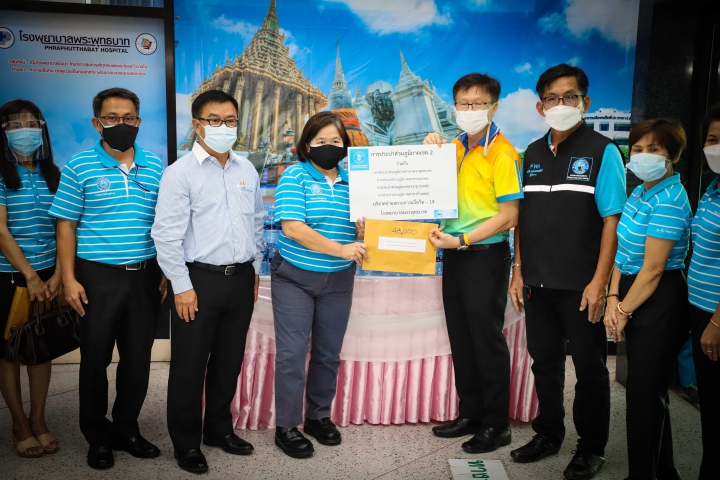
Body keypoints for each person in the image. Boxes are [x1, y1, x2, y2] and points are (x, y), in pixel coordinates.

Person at [508, 64, 627, 480]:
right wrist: (518, 270)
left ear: (585, 102)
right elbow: (521, 218)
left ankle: (591, 447)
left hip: (581, 286)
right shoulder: (531, 154)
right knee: (545, 363)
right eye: (553, 98)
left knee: (591, 370)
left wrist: (599, 283)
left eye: (570, 96)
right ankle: (548, 434)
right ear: (540, 106)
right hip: (537, 283)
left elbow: (612, 221)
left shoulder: (603, 151)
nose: (561, 104)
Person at [49, 88, 165, 470]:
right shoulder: (79, 166)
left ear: (139, 121)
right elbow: (66, 227)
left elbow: (166, 225)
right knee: (95, 360)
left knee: (138, 360)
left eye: (128, 117)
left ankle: (126, 430)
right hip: (96, 278)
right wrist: (69, 279)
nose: (121, 124)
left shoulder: (156, 166)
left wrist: (165, 270)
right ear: (97, 122)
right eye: (112, 118)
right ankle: (97, 437)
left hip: (145, 277)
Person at [151, 89, 262, 474]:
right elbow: (166, 236)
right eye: (215, 120)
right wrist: (181, 286)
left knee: (228, 362)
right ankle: (186, 443)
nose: (224, 127)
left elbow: (256, 223)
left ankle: (218, 429)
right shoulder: (180, 173)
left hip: (241, 277)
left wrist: (255, 269)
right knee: (189, 365)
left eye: (231, 120)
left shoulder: (247, 169)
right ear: (197, 125)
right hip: (197, 281)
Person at [422, 73, 522, 453]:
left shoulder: (503, 153)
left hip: (484, 256)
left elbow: (509, 215)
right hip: (454, 253)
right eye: (464, 103)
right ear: (454, 107)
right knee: (461, 338)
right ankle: (471, 414)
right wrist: (429, 150)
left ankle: (497, 424)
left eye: (479, 104)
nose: (470, 110)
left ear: (493, 107)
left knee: (486, 340)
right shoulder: (453, 148)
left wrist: (463, 240)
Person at [271, 111, 366, 458]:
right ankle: (286, 426)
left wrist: (365, 230)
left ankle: (318, 417)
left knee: (328, 353)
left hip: (339, 278)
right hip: (295, 276)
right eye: (321, 141)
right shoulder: (294, 175)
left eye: (336, 141)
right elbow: (292, 227)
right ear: (307, 145)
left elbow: (364, 228)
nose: (329, 146)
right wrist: (341, 248)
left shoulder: (356, 182)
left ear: (345, 145)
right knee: (292, 354)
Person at [604, 118, 691, 480]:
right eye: (638, 149)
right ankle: (663, 471)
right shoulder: (640, 191)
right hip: (632, 291)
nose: (643, 156)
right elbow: (623, 252)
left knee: (642, 396)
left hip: (659, 298)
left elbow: (654, 269)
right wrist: (613, 296)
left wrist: (623, 309)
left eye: (654, 149)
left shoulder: (670, 199)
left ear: (673, 155)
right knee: (648, 393)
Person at [0, 100, 62, 458]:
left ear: (42, 129)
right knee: (8, 353)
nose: (24, 130)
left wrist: (58, 273)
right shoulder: (1, 174)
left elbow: (65, 228)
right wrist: (30, 276)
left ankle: (38, 420)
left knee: (41, 347)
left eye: (31, 123)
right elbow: (1, 232)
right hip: (10, 276)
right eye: (14, 125)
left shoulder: (54, 174)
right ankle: (19, 423)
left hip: (49, 275)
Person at [687, 104, 720, 480]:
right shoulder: (712, 189)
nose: (717, 147)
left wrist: (717, 323)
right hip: (701, 310)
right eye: (712, 139)